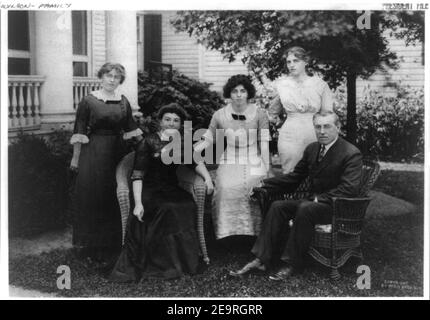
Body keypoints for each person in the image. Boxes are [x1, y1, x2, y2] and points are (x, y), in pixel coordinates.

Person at [230, 111, 362, 280]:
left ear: (338, 127)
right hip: (312, 204)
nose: (322, 131)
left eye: (327, 126)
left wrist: (318, 199)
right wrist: (264, 184)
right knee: (279, 206)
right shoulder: (313, 149)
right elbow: (295, 178)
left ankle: (291, 263)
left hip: (337, 207)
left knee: (305, 207)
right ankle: (261, 258)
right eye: (318, 127)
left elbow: (349, 189)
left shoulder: (350, 153)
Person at [110, 103, 214, 281]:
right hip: (148, 190)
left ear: (180, 124)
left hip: (171, 188)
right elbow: (137, 175)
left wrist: (208, 178)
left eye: (176, 120)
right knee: (167, 208)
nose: (171, 123)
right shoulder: (148, 142)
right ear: (160, 122)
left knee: (187, 205)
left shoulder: (182, 143)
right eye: (167, 119)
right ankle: (163, 264)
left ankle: (184, 261)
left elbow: (195, 162)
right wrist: (139, 203)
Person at [70, 62, 142, 263]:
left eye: (116, 77)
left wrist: (146, 150)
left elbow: (132, 130)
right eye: (108, 75)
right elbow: (79, 131)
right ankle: (91, 246)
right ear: (101, 77)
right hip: (94, 152)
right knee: (94, 196)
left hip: (117, 152)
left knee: (114, 194)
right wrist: (75, 159)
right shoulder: (89, 101)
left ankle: (113, 243)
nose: (112, 80)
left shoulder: (123, 101)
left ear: (120, 80)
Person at [194, 74, 271, 240]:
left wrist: (266, 167)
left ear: (248, 93)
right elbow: (208, 138)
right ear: (230, 93)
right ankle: (227, 234)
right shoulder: (219, 115)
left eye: (243, 91)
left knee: (253, 187)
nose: (238, 94)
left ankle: (255, 234)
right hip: (229, 159)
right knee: (225, 187)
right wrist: (192, 150)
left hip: (253, 159)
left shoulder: (260, 114)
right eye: (235, 91)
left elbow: (264, 142)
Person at [269, 46, 334, 174]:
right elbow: (272, 113)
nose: (291, 65)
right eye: (289, 62)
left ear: (305, 62)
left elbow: (328, 114)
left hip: (315, 133)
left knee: (316, 172)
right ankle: (290, 194)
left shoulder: (320, 85)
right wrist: (275, 123)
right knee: (290, 172)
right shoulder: (282, 85)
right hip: (289, 135)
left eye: (296, 61)